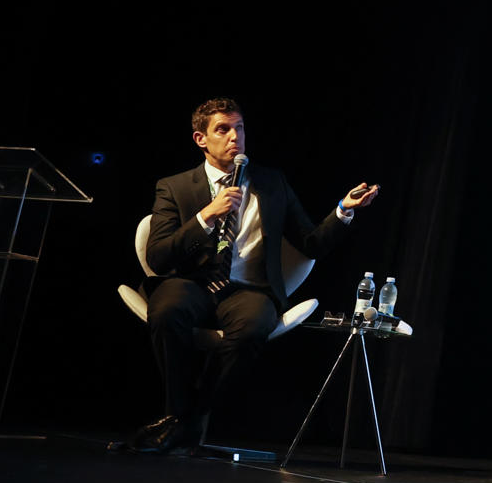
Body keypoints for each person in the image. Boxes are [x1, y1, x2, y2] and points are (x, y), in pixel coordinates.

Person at [110, 98, 380, 454]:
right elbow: (158, 257)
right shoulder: (173, 187)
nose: (234, 136)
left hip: (247, 289)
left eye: (239, 128)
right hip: (190, 283)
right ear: (200, 139)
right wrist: (206, 216)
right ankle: (179, 414)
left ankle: (186, 420)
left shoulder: (272, 183)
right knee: (167, 311)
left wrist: (344, 210)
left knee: (253, 328)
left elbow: (310, 243)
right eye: (222, 129)